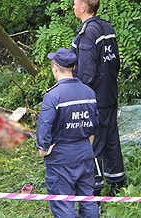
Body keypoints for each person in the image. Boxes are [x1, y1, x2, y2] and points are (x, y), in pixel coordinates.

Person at [71, 0, 126, 196]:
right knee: (111, 138)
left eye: (76, 3)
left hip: (95, 98)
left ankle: (93, 191)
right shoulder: (107, 27)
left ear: (84, 8)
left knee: (92, 142)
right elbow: (116, 63)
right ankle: (118, 183)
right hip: (110, 93)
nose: (74, 6)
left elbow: (86, 71)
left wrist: (78, 95)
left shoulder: (87, 33)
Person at [37, 48, 99, 218]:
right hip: (85, 154)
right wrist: (86, 146)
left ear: (54, 69)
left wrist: (43, 148)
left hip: (61, 159)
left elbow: (44, 126)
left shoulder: (53, 96)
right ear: (73, 67)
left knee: (63, 204)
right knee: (88, 199)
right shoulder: (89, 92)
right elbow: (94, 127)